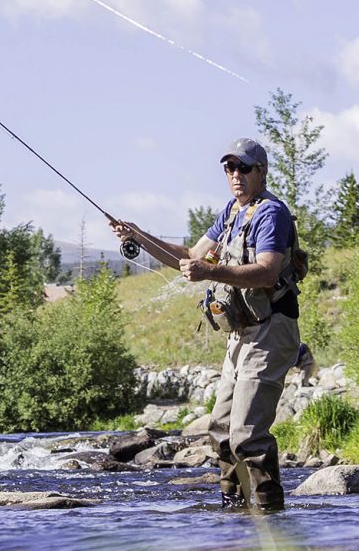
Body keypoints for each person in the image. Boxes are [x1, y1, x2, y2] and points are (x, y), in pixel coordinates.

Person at [111, 137, 301, 512]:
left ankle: (269, 516)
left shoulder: (271, 214)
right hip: (240, 335)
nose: (235, 175)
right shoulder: (231, 212)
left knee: (247, 434)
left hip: (270, 331)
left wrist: (209, 271)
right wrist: (139, 236)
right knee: (220, 430)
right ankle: (235, 511)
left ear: (260, 172)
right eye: (229, 168)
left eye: (244, 168)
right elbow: (188, 256)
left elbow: (266, 273)